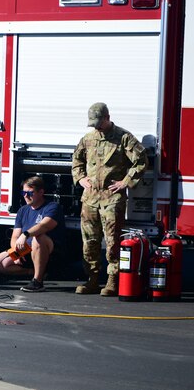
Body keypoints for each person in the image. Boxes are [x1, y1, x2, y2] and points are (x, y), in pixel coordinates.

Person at [72, 102, 148, 296]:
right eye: (93, 124)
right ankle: (92, 279)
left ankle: (113, 280)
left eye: (99, 122)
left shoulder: (123, 138)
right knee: (89, 240)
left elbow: (141, 160)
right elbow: (77, 161)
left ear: (107, 117)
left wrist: (126, 181)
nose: (96, 127)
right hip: (90, 197)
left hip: (112, 197)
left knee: (113, 241)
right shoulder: (88, 139)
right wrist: (80, 178)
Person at [0, 176, 64, 292]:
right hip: (26, 249)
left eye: (30, 193)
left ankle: (37, 281)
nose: (25, 196)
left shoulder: (52, 207)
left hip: (47, 249)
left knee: (38, 238)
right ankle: (33, 272)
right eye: (23, 192)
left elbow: (44, 225)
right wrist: (17, 252)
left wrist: (25, 235)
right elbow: (15, 236)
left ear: (41, 192)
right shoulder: (23, 210)